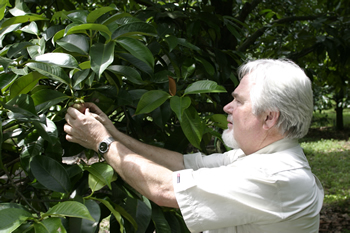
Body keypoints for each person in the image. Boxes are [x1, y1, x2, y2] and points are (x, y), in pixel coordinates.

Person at [64, 58, 324, 233]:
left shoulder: (277, 176)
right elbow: (181, 163)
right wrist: (112, 132)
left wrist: (101, 142)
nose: (227, 107)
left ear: (269, 117)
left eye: (238, 101)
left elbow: (164, 188)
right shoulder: (259, 158)